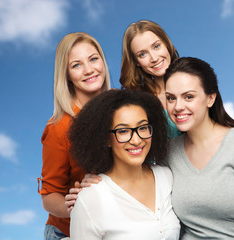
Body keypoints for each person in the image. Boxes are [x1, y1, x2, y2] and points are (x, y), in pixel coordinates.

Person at [164, 57, 234, 239]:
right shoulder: (169, 152)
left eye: (189, 97)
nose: (178, 106)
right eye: (171, 98)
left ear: (210, 98)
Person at [68, 89, 180, 239]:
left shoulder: (167, 177)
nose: (136, 140)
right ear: (106, 139)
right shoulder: (90, 199)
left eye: (142, 128)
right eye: (123, 131)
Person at [37, 32, 111, 239]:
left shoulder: (120, 111)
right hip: (67, 232)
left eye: (93, 59)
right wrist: (78, 205)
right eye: (76, 65)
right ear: (67, 74)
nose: (89, 70)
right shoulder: (59, 127)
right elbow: (49, 198)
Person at [120, 19, 181, 138]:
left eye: (157, 46)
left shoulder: (196, 81)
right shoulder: (136, 102)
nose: (154, 58)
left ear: (166, 44)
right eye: (142, 54)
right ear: (136, 62)